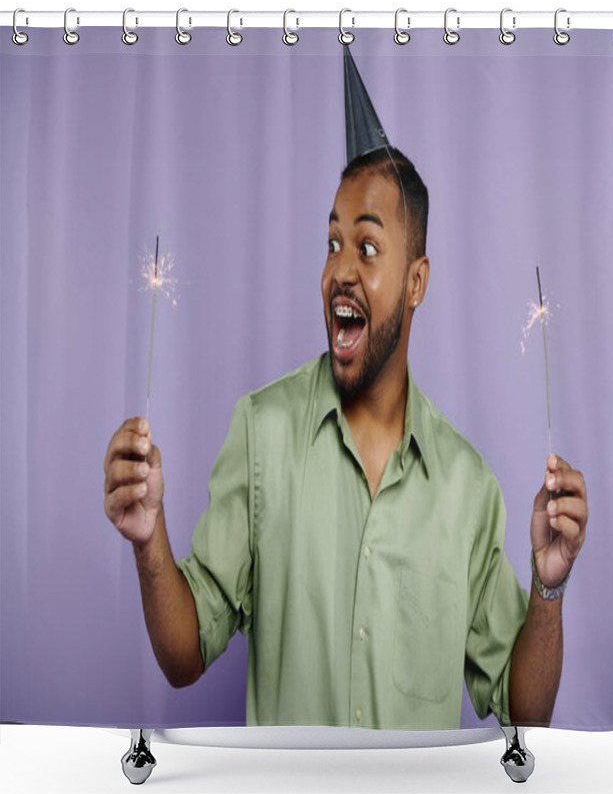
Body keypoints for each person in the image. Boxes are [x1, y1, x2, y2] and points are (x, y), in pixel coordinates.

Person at [103, 146, 588, 730]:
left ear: (416, 281)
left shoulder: (469, 487)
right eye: (333, 245)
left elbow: (527, 714)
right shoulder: (262, 432)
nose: (341, 271)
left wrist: (548, 585)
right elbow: (183, 658)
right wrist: (148, 538)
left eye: (367, 247)